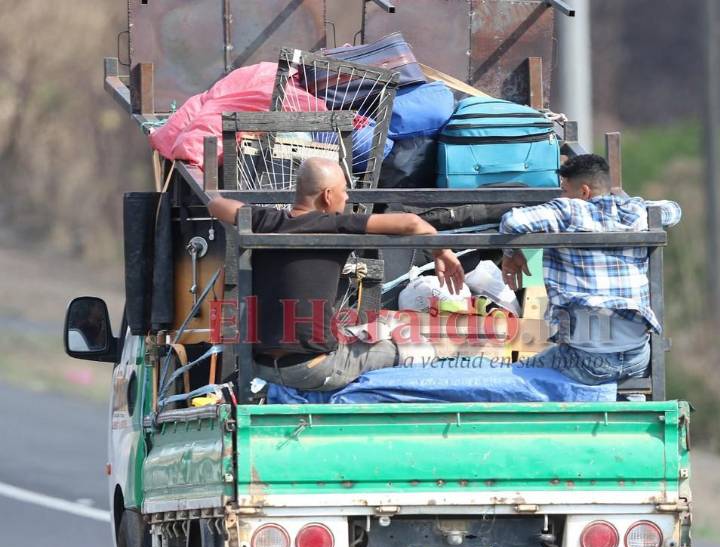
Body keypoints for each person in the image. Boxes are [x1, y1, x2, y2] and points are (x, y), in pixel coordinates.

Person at [207, 157, 464, 391]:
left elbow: (216, 204)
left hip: (262, 367)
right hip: (315, 370)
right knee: (407, 349)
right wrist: (443, 253)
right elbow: (413, 223)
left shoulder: (265, 220)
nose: (347, 198)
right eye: (344, 191)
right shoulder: (337, 225)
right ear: (328, 196)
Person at [499, 154, 682, 385]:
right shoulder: (635, 211)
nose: (560, 196)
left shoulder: (569, 211)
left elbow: (511, 222)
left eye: (564, 190)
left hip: (588, 362)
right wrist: (643, 204)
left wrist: (510, 254)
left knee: (515, 378)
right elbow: (673, 210)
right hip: (638, 357)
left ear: (584, 192)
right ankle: (633, 401)